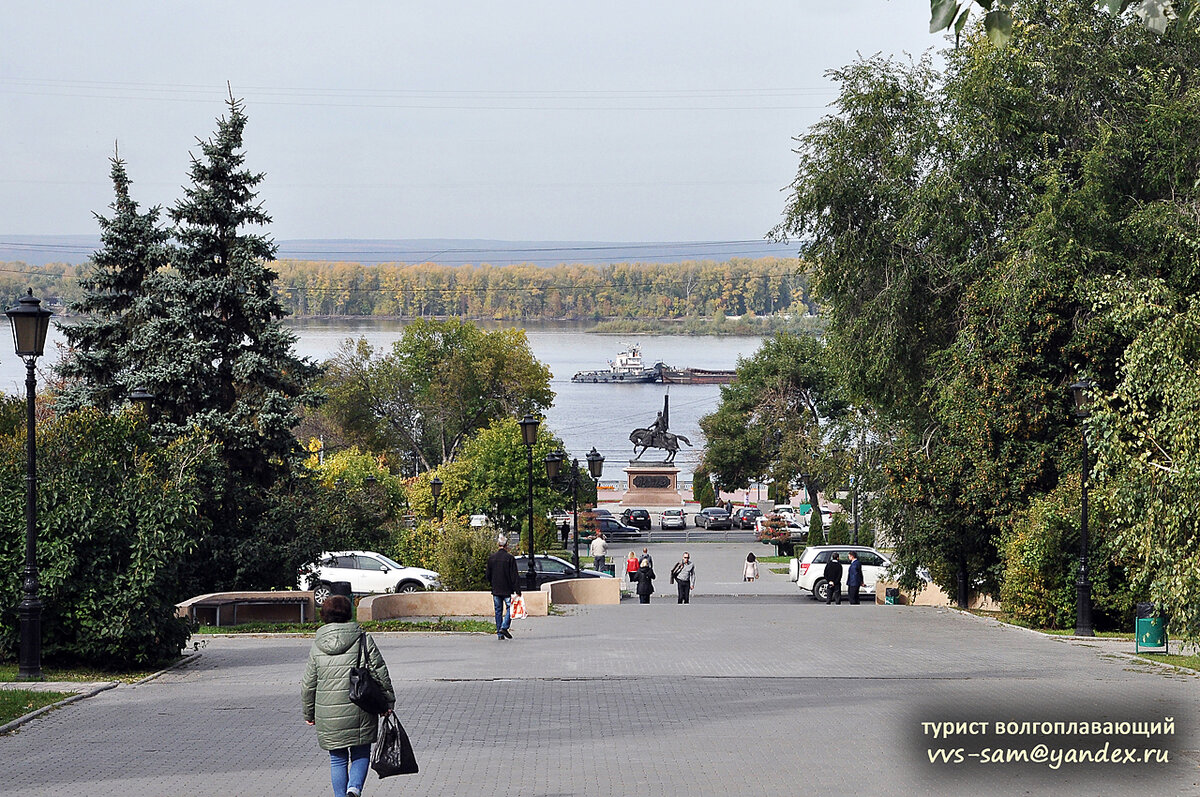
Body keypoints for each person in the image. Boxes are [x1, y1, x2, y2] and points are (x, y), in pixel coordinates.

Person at [302, 594, 395, 797]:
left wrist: (309, 713)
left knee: (337, 759)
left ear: (324, 615)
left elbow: (309, 683)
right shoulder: (362, 637)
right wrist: (387, 702)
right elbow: (379, 670)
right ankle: (354, 788)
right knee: (361, 752)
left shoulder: (318, 644)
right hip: (361, 706)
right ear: (348, 614)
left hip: (329, 712)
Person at [485, 533, 521, 640]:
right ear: (506, 545)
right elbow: (514, 575)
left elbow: (488, 575)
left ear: (498, 545)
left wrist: (492, 584)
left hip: (496, 589)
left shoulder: (492, 558)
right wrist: (517, 590)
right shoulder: (510, 558)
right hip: (507, 589)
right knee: (510, 608)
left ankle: (500, 633)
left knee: (498, 611)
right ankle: (504, 627)